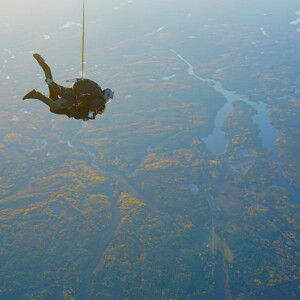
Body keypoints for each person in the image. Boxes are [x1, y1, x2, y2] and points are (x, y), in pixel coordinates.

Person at [22, 53, 114, 120]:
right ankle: (36, 95)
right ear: (106, 95)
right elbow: (90, 109)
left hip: (71, 91)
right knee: (53, 106)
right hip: (71, 98)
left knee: (52, 85)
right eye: (108, 99)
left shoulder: (96, 90)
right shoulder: (100, 101)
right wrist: (90, 115)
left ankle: (43, 64)